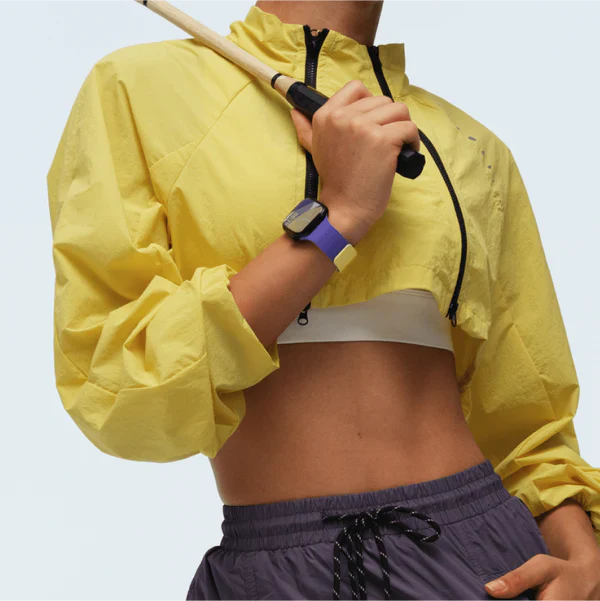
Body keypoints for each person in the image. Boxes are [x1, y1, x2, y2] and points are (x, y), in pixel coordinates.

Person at [47, 0, 600, 599]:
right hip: (274, 576)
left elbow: (527, 422)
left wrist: (585, 561)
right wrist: (339, 216)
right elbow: (120, 386)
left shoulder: (470, 148)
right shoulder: (141, 89)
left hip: (484, 562)